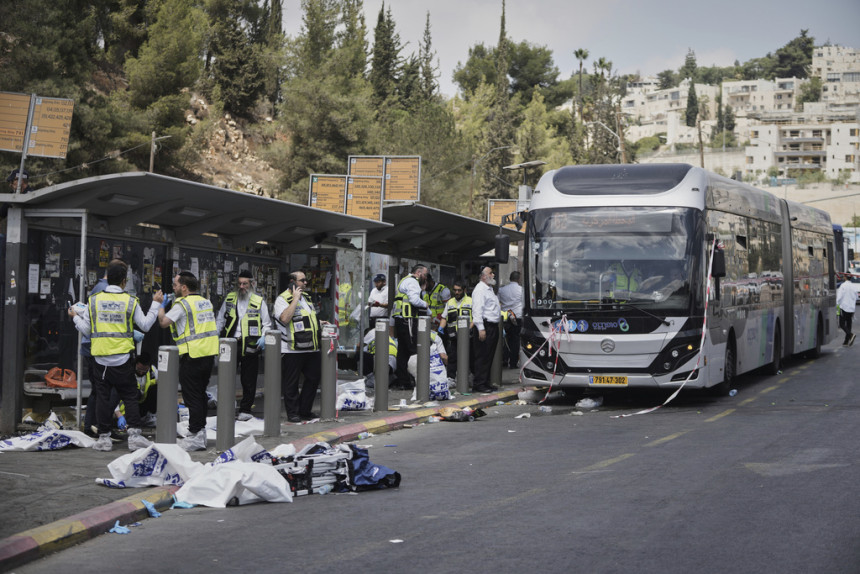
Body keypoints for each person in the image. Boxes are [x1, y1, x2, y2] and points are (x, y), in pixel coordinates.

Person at [68, 260, 163, 452]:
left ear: (107, 278)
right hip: (122, 359)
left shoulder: (94, 300)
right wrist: (155, 304)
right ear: (124, 281)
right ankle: (134, 437)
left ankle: (104, 439)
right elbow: (145, 325)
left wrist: (75, 317)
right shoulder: (130, 301)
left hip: (100, 359)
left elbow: (87, 330)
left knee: (103, 397)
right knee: (130, 396)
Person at [158, 271, 219, 451]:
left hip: (191, 355)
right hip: (208, 354)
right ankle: (200, 433)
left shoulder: (182, 305)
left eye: (176, 285)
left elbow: (163, 322)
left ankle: (195, 434)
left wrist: (159, 305)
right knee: (200, 395)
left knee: (192, 397)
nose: (173, 288)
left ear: (184, 287)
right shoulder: (205, 302)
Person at [216, 269, 272, 421]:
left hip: (251, 344)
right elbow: (220, 319)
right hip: (230, 343)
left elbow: (266, 324)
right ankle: (226, 407)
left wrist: (264, 337)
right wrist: (216, 336)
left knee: (249, 379)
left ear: (252, 284)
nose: (241, 287)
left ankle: (245, 409)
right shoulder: (230, 298)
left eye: (245, 284)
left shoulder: (258, 301)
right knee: (226, 377)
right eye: (239, 284)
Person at [274, 270, 324, 423]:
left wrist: (320, 323)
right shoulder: (282, 299)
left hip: (311, 347)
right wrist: (295, 299)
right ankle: (293, 413)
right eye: (302, 280)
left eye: (305, 280)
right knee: (292, 382)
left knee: (314, 378)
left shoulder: (307, 298)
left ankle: (305, 410)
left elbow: (307, 318)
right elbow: (284, 318)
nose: (305, 283)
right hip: (292, 349)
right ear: (292, 282)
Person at [392, 264, 429, 390]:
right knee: (414, 350)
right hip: (408, 320)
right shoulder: (413, 282)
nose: (426, 277)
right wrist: (425, 304)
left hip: (401, 320)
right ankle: (418, 380)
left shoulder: (405, 280)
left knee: (403, 352)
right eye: (425, 275)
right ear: (418, 273)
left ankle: (404, 381)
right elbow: (414, 300)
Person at [470, 265, 501, 393]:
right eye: (490, 273)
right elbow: (477, 310)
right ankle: (479, 384)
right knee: (482, 356)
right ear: (483, 276)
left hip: (492, 326)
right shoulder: (480, 290)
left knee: (488, 356)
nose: (493, 275)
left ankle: (485, 382)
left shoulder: (489, 289)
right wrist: (481, 328)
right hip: (485, 326)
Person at [113, 351, 158, 429]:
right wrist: (119, 415)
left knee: (155, 389)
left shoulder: (152, 371)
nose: (141, 373)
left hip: (141, 404)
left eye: (144, 371)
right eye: (139, 369)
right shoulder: (126, 373)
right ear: (135, 364)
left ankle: (148, 417)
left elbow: (164, 384)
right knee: (135, 392)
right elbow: (113, 395)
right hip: (125, 409)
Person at [438, 278, 472, 378]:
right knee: (452, 357)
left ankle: (469, 376)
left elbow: (475, 318)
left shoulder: (471, 301)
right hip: (453, 336)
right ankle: (451, 378)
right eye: (455, 290)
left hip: (467, 336)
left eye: (459, 290)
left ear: (464, 290)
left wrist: (469, 329)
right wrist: (440, 328)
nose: (456, 292)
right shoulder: (450, 302)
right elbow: (444, 317)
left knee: (469, 357)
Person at [498, 271, 523, 369]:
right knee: (515, 340)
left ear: (510, 278)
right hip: (517, 317)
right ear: (518, 279)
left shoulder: (502, 290)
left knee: (505, 339)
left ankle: (504, 359)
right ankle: (513, 362)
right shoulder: (521, 290)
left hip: (505, 317)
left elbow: (497, 302)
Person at [837, 274, 858, 347]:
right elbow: (856, 297)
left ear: (845, 277)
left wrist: (837, 305)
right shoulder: (854, 286)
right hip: (851, 308)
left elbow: (839, 297)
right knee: (849, 324)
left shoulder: (843, 286)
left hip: (844, 307)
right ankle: (846, 341)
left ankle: (851, 335)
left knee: (842, 324)